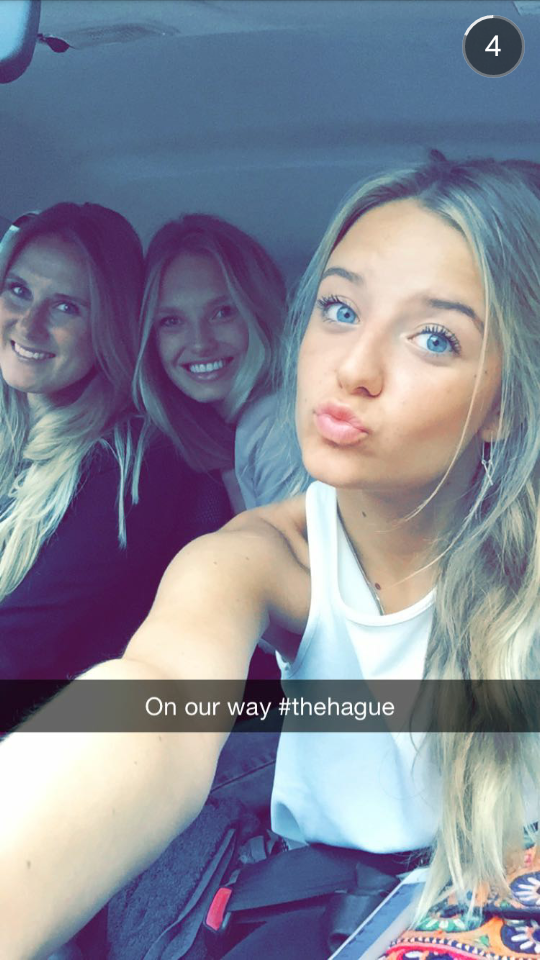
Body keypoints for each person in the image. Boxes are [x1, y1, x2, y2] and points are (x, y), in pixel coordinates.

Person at [1, 157, 539, 958]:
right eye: (340, 309)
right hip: (335, 910)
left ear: (504, 401)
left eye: (435, 338)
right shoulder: (254, 558)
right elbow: (151, 705)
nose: (353, 368)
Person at [0, 204, 231, 679]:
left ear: (109, 324)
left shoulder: (132, 460)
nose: (28, 324)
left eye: (66, 306)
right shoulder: (13, 423)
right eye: (19, 291)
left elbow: (18, 649)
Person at [134, 213, 305, 512]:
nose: (200, 343)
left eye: (222, 312)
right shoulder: (194, 438)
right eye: (171, 321)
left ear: (260, 312)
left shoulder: (277, 424)